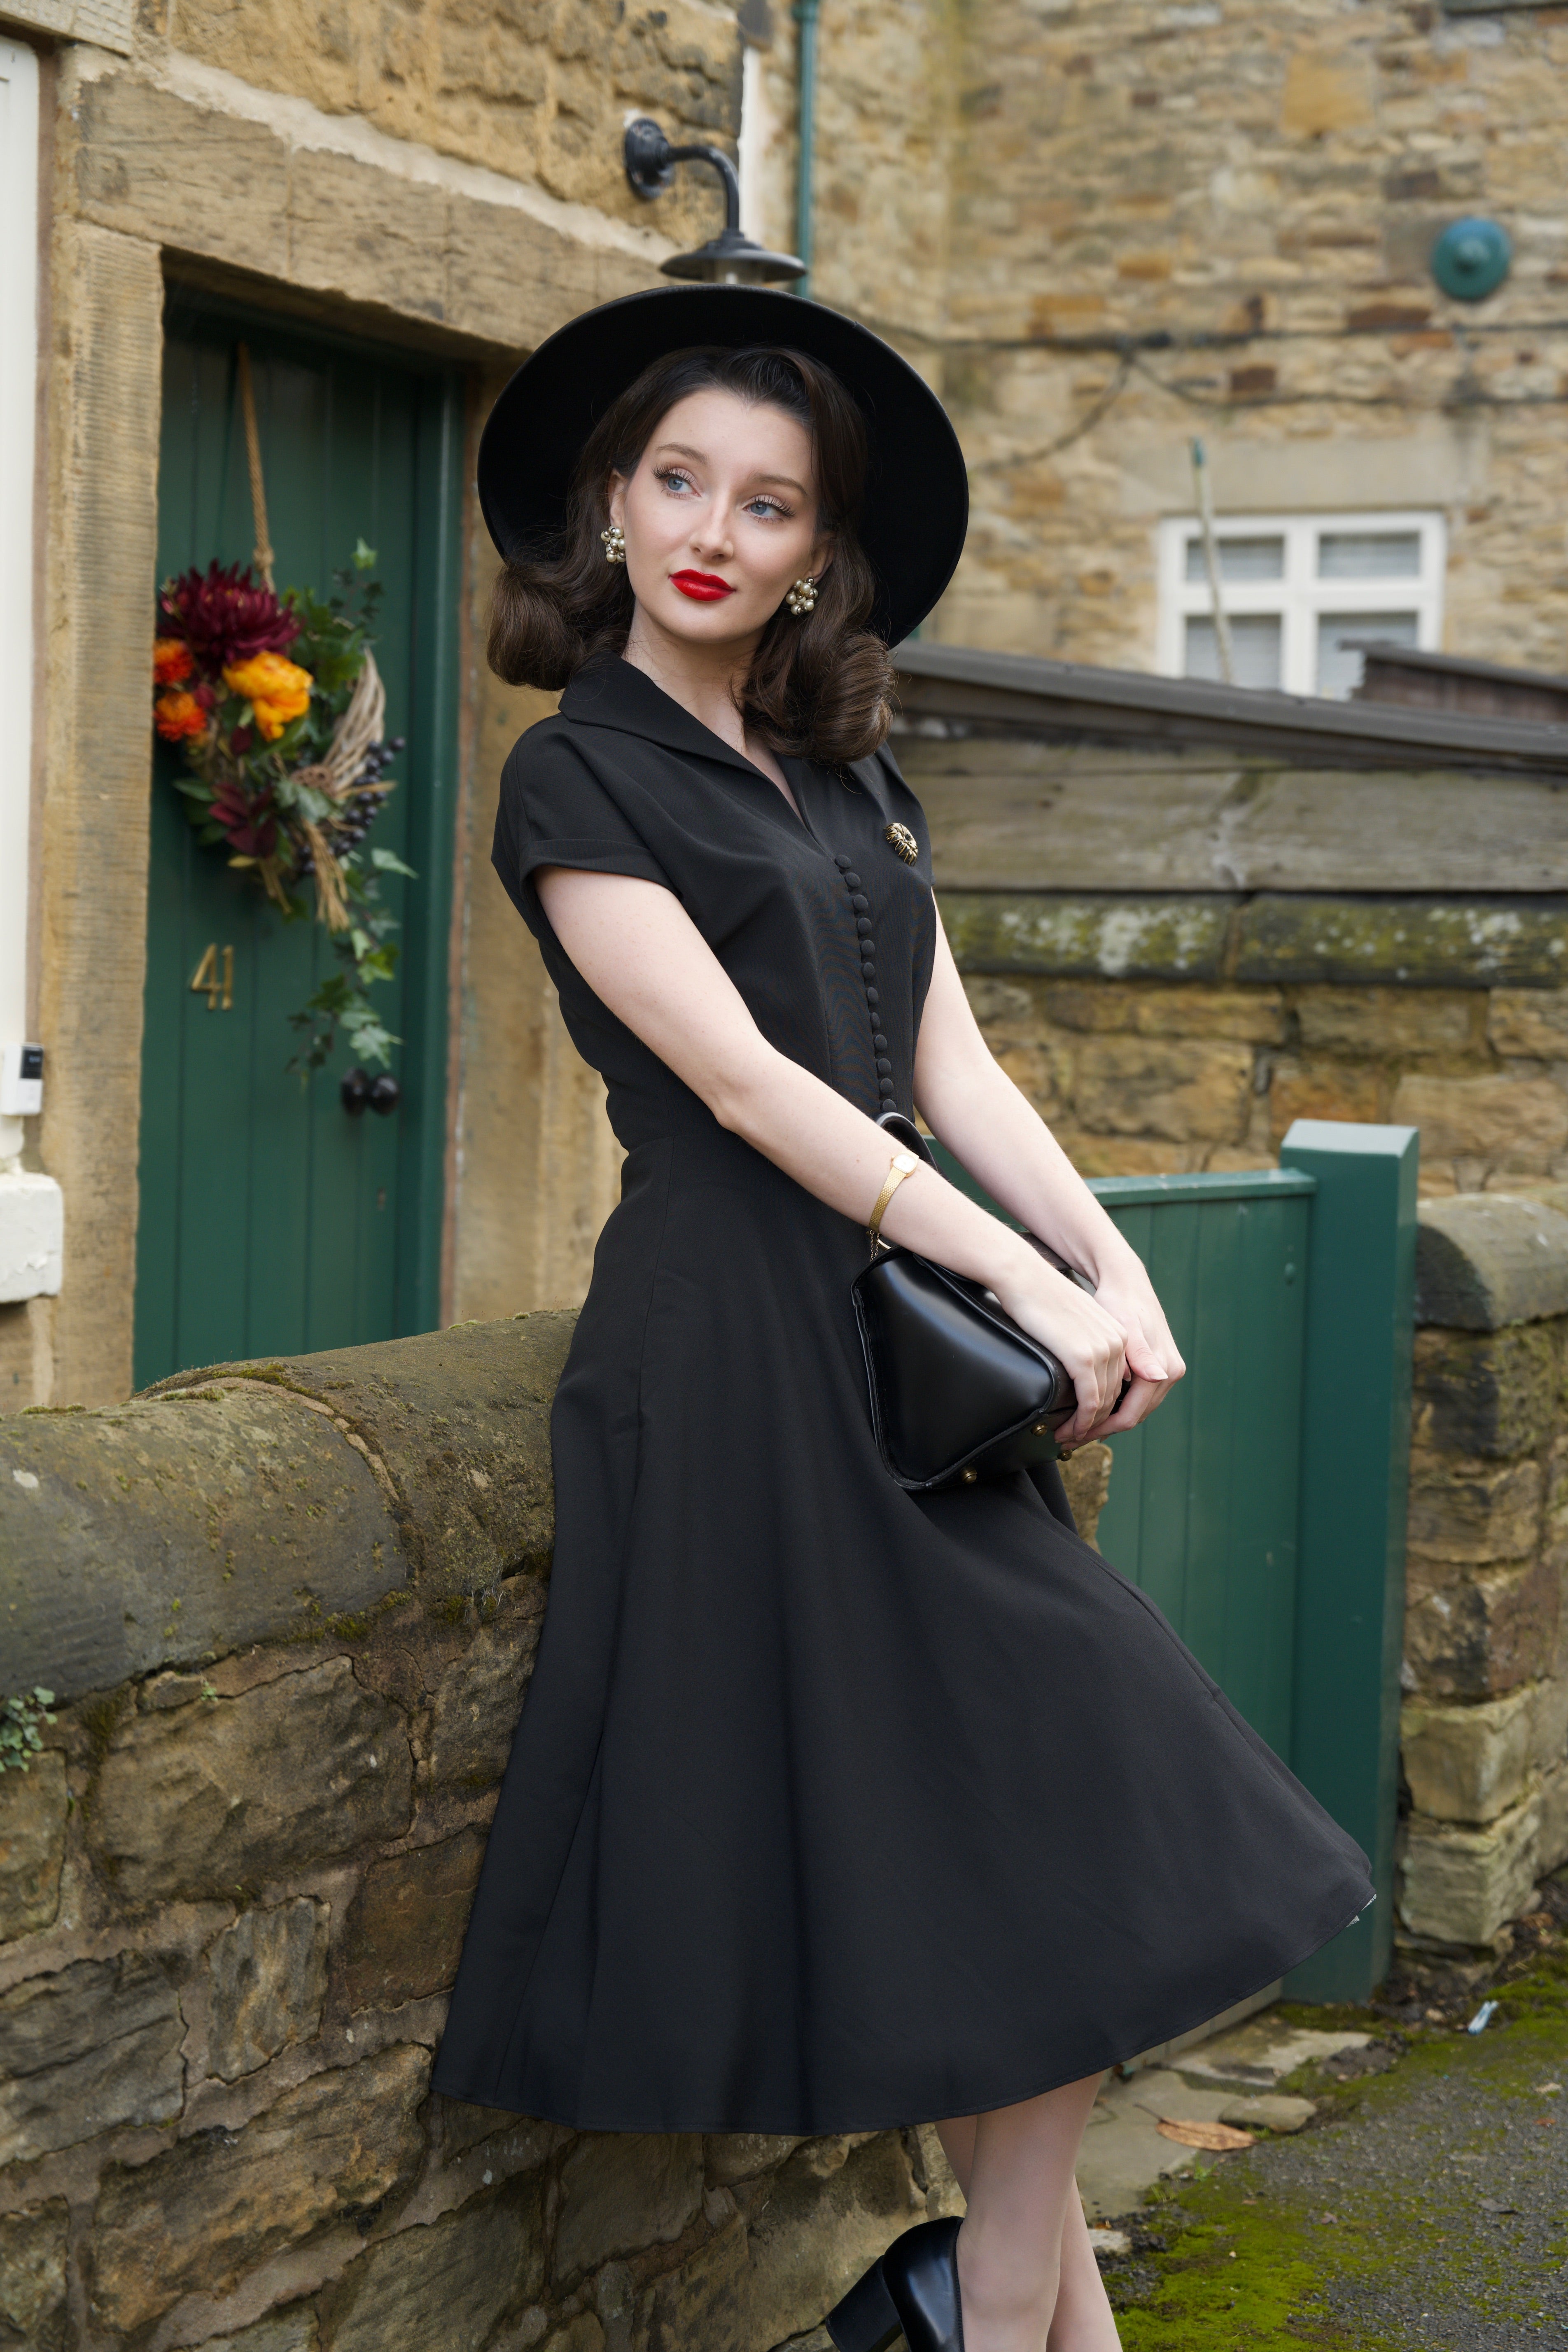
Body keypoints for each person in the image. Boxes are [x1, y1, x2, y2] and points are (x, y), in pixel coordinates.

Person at [432, 286, 1374, 2352]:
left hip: (890, 1353)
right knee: (1036, 1853)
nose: (711, 529)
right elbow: (756, 1091)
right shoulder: (573, 779)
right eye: (675, 480)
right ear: (606, 503)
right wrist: (1014, 1277)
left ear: (813, 556)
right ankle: (976, 2296)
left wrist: (1107, 1260)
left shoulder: (848, 776)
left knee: (1035, 1862)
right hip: (734, 1351)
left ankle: (986, 2303)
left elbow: (952, 1062)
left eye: (765, 505)